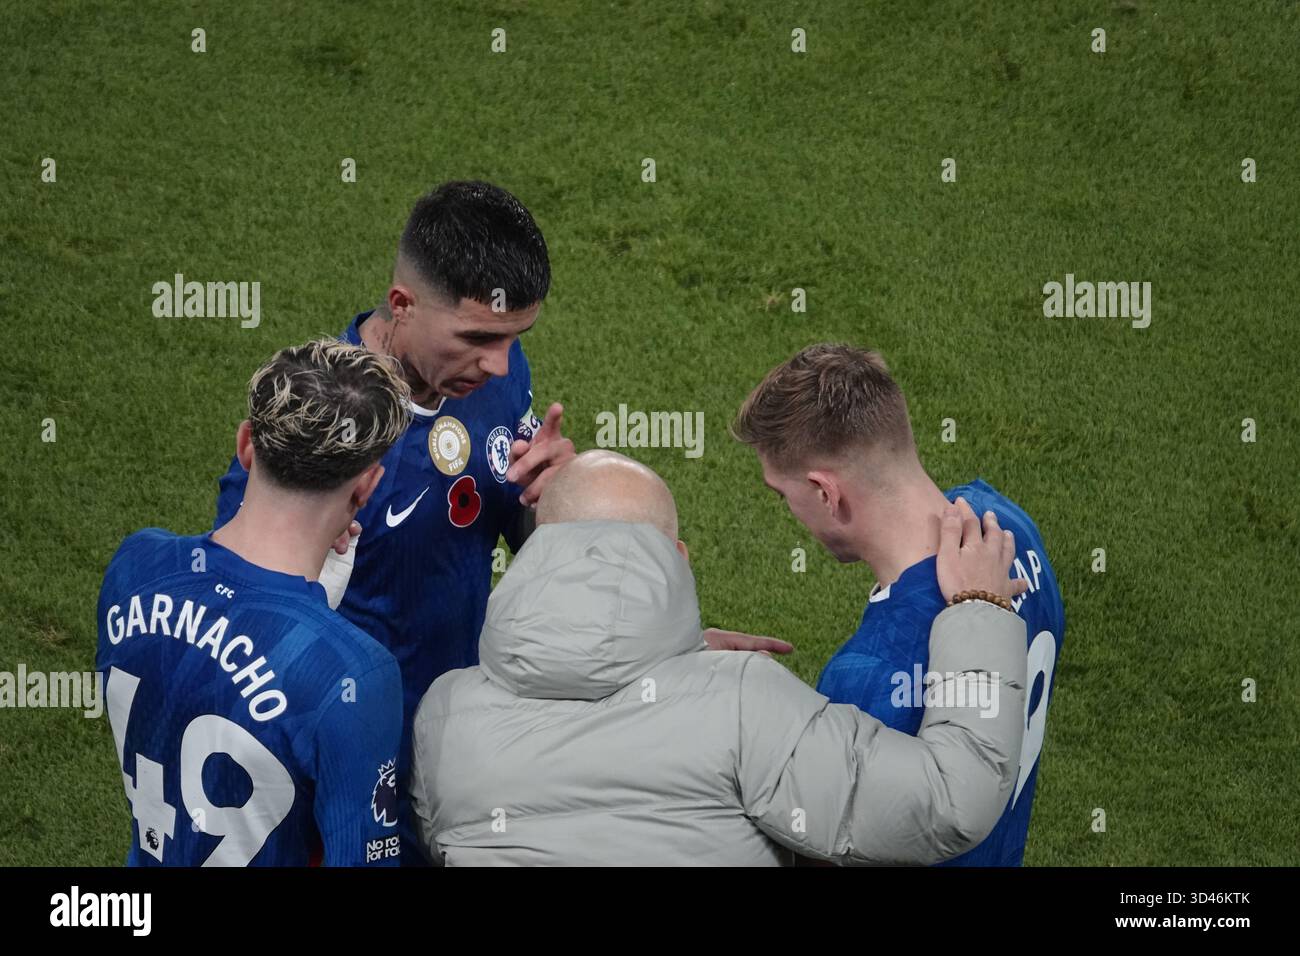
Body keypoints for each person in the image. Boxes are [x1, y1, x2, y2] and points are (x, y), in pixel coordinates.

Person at [409, 450, 1029, 865]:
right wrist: (979, 608)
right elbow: (951, 800)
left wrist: (668, 669)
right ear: (676, 557)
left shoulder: (444, 716)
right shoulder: (744, 702)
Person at [731, 343, 1066, 866]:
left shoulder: (864, 677)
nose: (787, 510)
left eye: (782, 493)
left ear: (825, 493)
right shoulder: (1006, 529)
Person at [98, 340, 410, 865]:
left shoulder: (135, 565)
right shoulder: (355, 673)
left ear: (246, 446)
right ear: (367, 486)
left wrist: (313, 611)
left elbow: (201, 679)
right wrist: (316, 625)